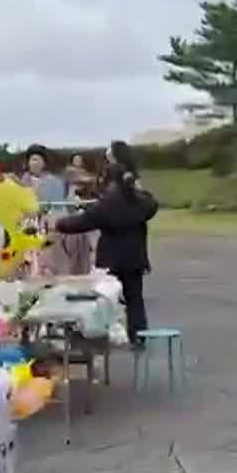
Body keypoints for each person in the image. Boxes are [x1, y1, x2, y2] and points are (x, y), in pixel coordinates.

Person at [54, 140, 159, 347]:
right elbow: (152, 206)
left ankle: (101, 336)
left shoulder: (108, 204)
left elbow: (83, 222)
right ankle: (139, 338)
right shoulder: (139, 201)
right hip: (135, 256)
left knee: (103, 299)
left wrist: (57, 223)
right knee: (135, 299)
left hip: (111, 259)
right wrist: (140, 191)